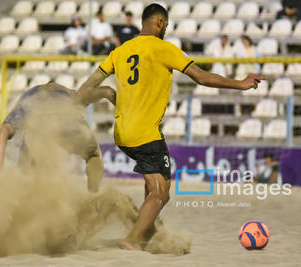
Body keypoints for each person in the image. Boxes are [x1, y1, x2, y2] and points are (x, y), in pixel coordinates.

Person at [75, 3, 263, 250]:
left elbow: (91, 82)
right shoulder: (164, 48)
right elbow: (202, 77)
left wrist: (75, 100)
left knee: (153, 186)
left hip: (122, 132)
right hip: (145, 134)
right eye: (167, 25)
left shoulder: (120, 51)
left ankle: (145, 233)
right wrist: (241, 84)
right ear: (161, 23)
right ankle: (132, 240)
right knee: (161, 193)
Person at [0, 83, 116, 193]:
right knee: (93, 155)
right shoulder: (70, 93)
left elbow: (3, 131)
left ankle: (26, 200)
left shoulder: (25, 100)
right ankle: (93, 197)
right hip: (66, 120)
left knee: (25, 169)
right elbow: (93, 93)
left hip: (37, 127)